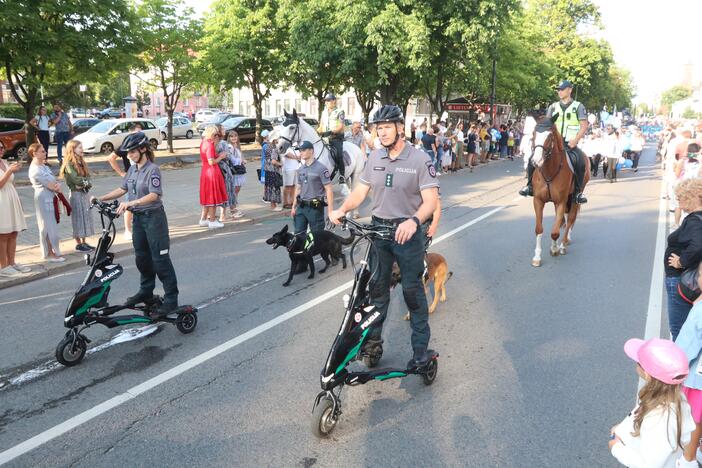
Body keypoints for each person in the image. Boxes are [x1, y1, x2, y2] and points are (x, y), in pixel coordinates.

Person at [329, 104, 439, 368]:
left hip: (407, 234)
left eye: (388, 127)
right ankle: (373, 346)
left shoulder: (419, 159)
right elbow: (360, 192)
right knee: (376, 290)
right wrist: (341, 209)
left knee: (412, 292)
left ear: (401, 128)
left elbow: (431, 201)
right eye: (379, 128)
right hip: (379, 232)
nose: (383, 132)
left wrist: (414, 222)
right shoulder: (375, 158)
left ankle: (420, 352)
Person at [94, 132, 179, 317]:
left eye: (132, 152)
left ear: (143, 149)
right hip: (139, 220)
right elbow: (122, 189)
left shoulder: (153, 169)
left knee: (160, 261)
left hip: (154, 219)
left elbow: (154, 195)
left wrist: (131, 203)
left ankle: (171, 299)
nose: (129, 155)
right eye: (128, 153)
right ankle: (146, 291)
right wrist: (100, 198)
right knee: (142, 258)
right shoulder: (132, 170)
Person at [609, 337, 694, 467]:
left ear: (648, 374)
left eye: (638, 362)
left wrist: (616, 448)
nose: (636, 363)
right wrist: (622, 430)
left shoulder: (658, 418)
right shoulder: (676, 398)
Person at [520, 80, 589, 204]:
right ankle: (529, 186)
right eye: (558, 89)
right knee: (532, 159)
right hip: (554, 143)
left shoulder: (578, 106)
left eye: (562, 89)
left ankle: (578, 193)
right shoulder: (553, 106)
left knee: (581, 162)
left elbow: (584, 125)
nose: (559, 92)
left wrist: (576, 140)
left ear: (570, 90)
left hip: (569, 142)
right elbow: (547, 123)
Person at [663, 178, 702, 340]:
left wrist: (681, 262)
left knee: (678, 329)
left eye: (681, 197)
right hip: (687, 278)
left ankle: (680, 363)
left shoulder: (694, 221)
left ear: (694, 196)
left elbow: (698, 245)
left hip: (680, 279)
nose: (678, 200)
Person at [674, 264, 702, 467]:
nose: (699, 278)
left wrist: (674, 366)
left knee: (695, 418)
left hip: (698, 378)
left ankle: (688, 458)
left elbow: (687, 344)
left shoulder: (700, 309)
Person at [28, 143, 66, 262]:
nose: (45, 153)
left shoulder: (43, 166)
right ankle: (49, 253)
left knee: (52, 224)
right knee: (46, 225)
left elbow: (54, 181)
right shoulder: (35, 169)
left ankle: (54, 251)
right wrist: (56, 187)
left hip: (49, 197)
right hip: (43, 198)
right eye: (42, 151)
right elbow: (51, 185)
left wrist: (57, 185)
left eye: (44, 151)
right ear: (34, 153)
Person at [107, 123, 143, 240]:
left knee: (141, 203)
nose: (139, 135)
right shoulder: (125, 145)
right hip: (131, 179)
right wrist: (122, 173)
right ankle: (127, 230)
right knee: (129, 204)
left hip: (142, 178)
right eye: (137, 133)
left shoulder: (142, 146)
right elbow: (111, 158)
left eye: (141, 132)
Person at [0, 141, 30, 277]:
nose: (1, 150)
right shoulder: (7, 167)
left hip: (10, 199)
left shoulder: (4, 162)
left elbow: (10, 183)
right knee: (3, 235)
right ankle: (4, 266)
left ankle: (12, 262)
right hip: (1, 202)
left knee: (13, 233)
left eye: (2, 147)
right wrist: (9, 171)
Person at [59, 140, 95, 252]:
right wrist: (85, 182)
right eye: (79, 147)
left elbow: (88, 178)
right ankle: (78, 244)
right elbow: (76, 180)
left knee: (85, 217)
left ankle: (84, 242)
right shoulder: (69, 164)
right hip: (76, 194)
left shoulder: (81, 162)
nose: (82, 149)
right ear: (72, 149)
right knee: (78, 218)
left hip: (84, 193)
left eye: (81, 147)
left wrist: (85, 183)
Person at [290, 140, 333, 233]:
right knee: (298, 235)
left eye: (303, 150)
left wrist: (330, 211)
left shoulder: (321, 168)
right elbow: (298, 188)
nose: (301, 152)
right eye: (300, 151)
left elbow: (329, 189)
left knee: (317, 237)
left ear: (312, 151)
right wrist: (293, 206)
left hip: (315, 209)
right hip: (301, 207)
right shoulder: (300, 169)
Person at [198, 125, 228, 229]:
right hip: (212, 172)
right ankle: (212, 221)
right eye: (215, 134)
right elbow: (212, 161)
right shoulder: (209, 145)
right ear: (211, 134)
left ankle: (203, 219)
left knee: (207, 196)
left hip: (205, 171)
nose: (217, 136)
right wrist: (221, 156)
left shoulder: (203, 143)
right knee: (212, 197)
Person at [318, 93, 346, 184]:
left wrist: (331, 132)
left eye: (328, 100)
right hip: (325, 138)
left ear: (334, 101)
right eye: (326, 101)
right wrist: (317, 132)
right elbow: (321, 126)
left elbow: (341, 126)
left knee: (338, 154)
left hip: (336, 138)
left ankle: (342, 175)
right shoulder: (324, 112)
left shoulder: (340, 111)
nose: (326, 102)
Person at [216, 129, 238, 221]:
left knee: (218, 191)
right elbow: (227, 156)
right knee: (227, 191)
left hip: (216, 168)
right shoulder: (223, 143)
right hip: (224, 169)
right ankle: (223, 215)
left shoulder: (211, 143)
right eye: (222, 129)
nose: (224, 130)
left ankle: (210, 214)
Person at [227, 130, 246, 218]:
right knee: (234, 190)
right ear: (229, 138)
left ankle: (234, 207)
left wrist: (242, 160)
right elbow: (232, 159)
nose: (234, 138)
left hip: (239, 171)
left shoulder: (237, 146)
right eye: (231, 136)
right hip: (234, 171)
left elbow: (239, 157)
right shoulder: (230, 147)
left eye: (235, 136)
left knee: (237, 190)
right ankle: (232, 210)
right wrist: (241, 161)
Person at [263, 136, 283, 211]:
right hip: (273, 170)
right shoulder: (274, 148)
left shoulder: (267, 146)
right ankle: (273, 206)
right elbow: (273, 161)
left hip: (268, 169)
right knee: (274, 187)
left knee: (270, 187)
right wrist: (281, 164)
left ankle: (273, 205)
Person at [282, 142, 301, 210]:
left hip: (296, 167)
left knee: (294, 186)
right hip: (288, 168)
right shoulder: (285, 143)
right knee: (288, 186)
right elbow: (286, 154)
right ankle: (285, 202)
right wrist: (297, 157)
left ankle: (292, 201)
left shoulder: (296, 143)